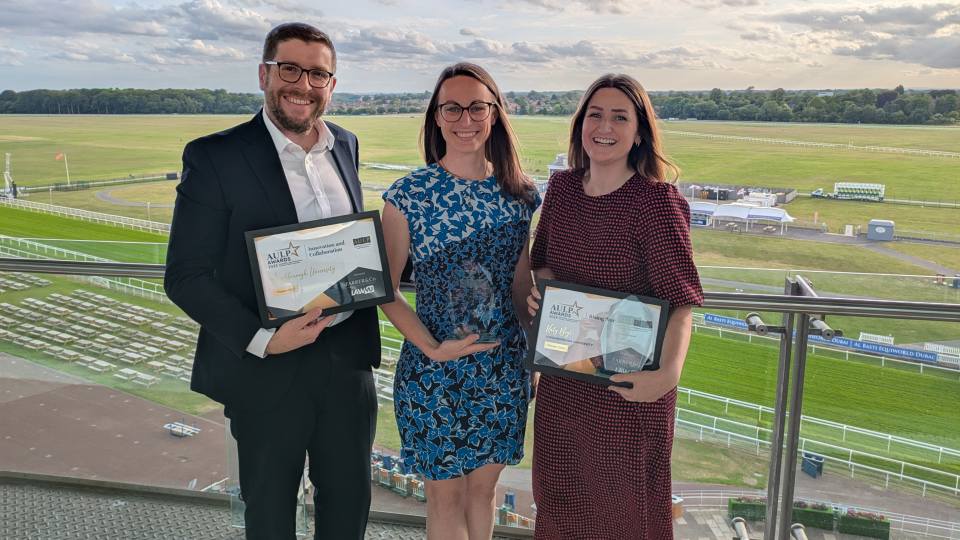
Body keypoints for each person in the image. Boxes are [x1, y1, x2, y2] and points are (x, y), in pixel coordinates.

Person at [164, 23, 379, 540]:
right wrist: (264, 340)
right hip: (266, 368)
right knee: (269, 514)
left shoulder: (344, 144)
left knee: (349, 507)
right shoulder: (215, 155)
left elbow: (350, 244)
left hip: (347, 361)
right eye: (290, 69)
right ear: (264, 74)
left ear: (332, 83)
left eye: (318, 74)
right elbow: (185, 275)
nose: (303, 85)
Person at [526, 73, 703, 539]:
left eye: (619, 117)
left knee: (624, 517)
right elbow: (543, 264)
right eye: (595, 114)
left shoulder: (657, 203)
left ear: (639, 131)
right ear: (580, 123)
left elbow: (682, 304)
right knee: (559, 509)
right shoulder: (562, 189)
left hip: (626, 394)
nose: (604, 126)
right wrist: (539, 287)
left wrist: (666, 378)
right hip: (563, 387)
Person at [380, 62, 539, 540]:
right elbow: (384, 288)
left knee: (483, 494)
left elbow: (518, 288)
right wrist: (432, 348)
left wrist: (535, 357)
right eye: (452, 107)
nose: (465, 118)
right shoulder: (408, 196)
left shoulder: (520, 195)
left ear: (494, 114)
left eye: (477, 107)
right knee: (444, 498)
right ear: (436, 115)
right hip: (433, 372)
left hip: (503, 371)